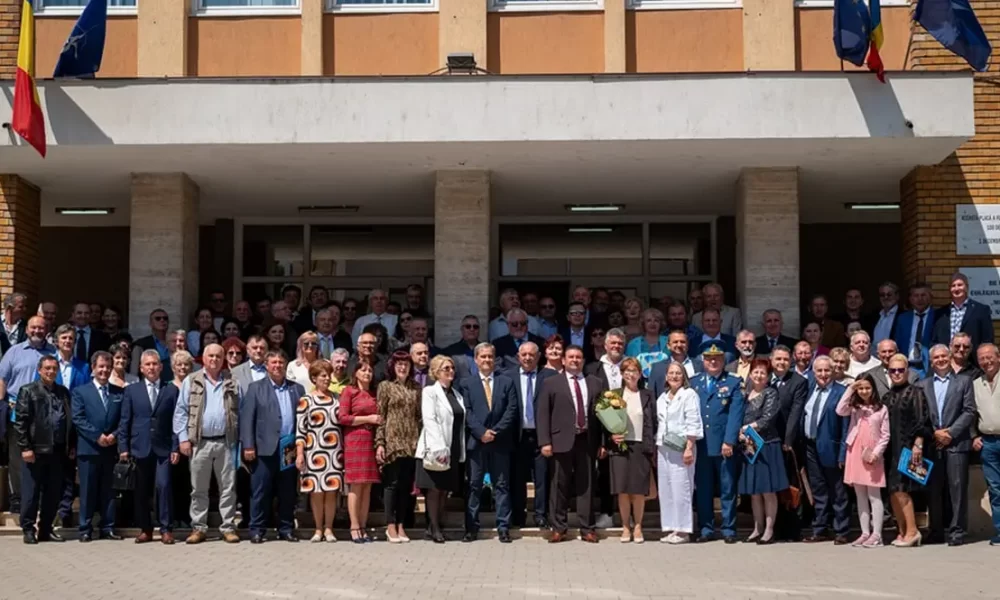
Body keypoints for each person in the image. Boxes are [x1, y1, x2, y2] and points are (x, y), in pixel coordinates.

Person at [172, 343, 241, 544]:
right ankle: (199, 528)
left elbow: (240, 410)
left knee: (228, 488)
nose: (214, 360)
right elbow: (181, 411)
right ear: (203, 358)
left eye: (218, 356)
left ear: (223, 359)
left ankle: (228, 527)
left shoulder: (232, 381)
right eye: (210, 356)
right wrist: (183, 438)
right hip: (199, 443)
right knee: (198, 489)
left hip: (226, 442)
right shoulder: (192, 381)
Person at [537, 345, 602, 543]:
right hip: (560, 441)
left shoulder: (595, 383)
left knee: (587, 486)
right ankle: (559, 528)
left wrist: (603, 443)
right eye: (571, 357)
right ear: (563, 360)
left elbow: (603, 416)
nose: (575, 360)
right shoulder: (551, 383)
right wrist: (545, 442)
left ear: (583, 361)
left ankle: (587, 528)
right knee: (559, 485)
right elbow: (543, 414)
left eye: (579, 357)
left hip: (587, 440)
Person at [241, 351, 305, 544]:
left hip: (289, 448)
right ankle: (257, 529)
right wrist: (248, 445)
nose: (277, 365)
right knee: (260, 490)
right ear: (267, 366)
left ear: (286, 365)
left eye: (280, 362)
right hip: (264, 447)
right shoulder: (255, 388)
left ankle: (285, 528)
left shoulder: (297, 389)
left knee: (287, 491)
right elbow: (246, 419)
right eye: (273, 362)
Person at [118, 349, 180, 544]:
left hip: (163, 448)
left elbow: (177, 421)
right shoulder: (131, 391)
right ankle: (145, 528)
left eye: (155, 364)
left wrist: (175, 447)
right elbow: (125, 420)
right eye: (148, 364)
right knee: (141, 490)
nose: (152, 367)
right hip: (139, 446)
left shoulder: (171, 390)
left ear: (161, 367)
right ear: (141, 368)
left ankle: (166, 528)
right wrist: (123, 447)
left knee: (164, 486)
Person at [918, 344, 976, 546]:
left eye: (944, 356)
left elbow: (969, 411)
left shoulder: (964, 381)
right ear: (931, 361)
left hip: (956, 443)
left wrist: (950, 433)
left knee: (957, 488)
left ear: (950, 357)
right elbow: (921, 414)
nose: (940, 360)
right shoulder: (923, 385)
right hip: (933, 444)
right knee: (933, 489)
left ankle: (957, 531)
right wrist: (934, 433)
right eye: (936, 357)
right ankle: (935, 531)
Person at [461, 342, 518, 543]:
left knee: (501, 485)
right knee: (474, 485)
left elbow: (511, 410)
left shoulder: (506, 381)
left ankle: (503, 526)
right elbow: (466, 411)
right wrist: (481, 432)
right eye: (482, 356)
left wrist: (495, 432)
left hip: (500, 442)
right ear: (476, 360)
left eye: (490, 356)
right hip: (476, 443)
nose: (486, 360)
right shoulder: (467, 383)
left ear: (495, 359)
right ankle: (471, 527)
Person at [14, 355, 73, 544]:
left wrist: (70, 445)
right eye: (47, 368)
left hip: (57, 451)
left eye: (54, 368)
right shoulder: (28, 391)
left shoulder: (63, 392)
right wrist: (25, 447)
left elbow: (69, 421)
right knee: (31, 493)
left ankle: (46, 529)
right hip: (35, 451)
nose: (51, 372)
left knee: (53, 493)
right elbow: (21, 421)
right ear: (39, 370)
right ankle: (28, 528)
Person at [795, 356, 850, 544]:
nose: (823, 374)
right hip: (810, 446)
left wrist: (843, 453)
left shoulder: (842, 392)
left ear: (833, 371)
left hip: (831, 447)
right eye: (819, 371)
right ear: (813, 372)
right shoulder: (808, 389)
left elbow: (845, 427)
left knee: (837, 491)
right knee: (818, 489)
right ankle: (820, 529)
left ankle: (841, 530)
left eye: (827, 370)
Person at [692, 344, 744, 543]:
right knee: (703, 489)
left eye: (717, 359)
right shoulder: (694, 382)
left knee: (727, 488)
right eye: (709, 358)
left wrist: (729, 441)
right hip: (701, 445)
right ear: (703, 361)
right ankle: (706, 528)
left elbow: (735, 414)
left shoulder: (733, 382)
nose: (713, 362)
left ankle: (729, 529)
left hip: (724, 446)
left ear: (724, 361)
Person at [71, 351, 124, 542]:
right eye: (101, 366)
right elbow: (78, 418)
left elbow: (123, 420)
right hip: (89, 449)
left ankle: (108, 527)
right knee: (88, 490)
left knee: (108, 491)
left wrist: (114, 436)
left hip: (110, 448)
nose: (104, 370)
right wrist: (97, 436)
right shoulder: (80, 391)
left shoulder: (119, 392)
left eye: (108, 367)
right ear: (93, 368)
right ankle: (85, 528)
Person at [883, 353, 934, 547]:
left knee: (902, 490)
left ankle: (913, 531)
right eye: (892, 370)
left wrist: (918, 444)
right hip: (891, 449)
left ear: (907, 371)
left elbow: (922, 421)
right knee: (892, 491)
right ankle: (902, 530)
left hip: (908, 448)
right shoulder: (888, 395)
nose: (896, 373)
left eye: (900, 370)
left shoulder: (916, 392)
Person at [415, 355, 466, 543]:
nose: (451, 371)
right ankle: (434, 528)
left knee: (445, 489)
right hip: (435, 447)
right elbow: (429, 419)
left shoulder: (456, 394)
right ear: (436, 372)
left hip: (452, 447)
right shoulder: (430, 392)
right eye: (446, 368)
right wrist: (439, 448)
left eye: (452, 368)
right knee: (434, 489)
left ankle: (436, 525)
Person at [737, 359, 788, 545]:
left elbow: (767, 419)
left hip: (767, 445)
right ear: (750, 374)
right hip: (749, 445)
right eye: (755, 372)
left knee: (768, 490)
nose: (758, 376)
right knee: (754, 491)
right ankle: (756, 528)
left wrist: (745, 428)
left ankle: (769, 529)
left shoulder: (770, 393)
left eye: (763, 373)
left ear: (768, 377)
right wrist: (740, 433)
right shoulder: (745, 394)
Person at [836, 374, 891, 548]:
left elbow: (885, 435)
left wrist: (877, 453)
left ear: (873, 388)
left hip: (872, 454)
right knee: (860, 494)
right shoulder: (854, 408)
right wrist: (850, 388)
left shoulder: (881, 409)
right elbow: (839, 409)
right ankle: (864, 532)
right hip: (855, 451)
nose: (864, 391)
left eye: (867, 388)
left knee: (874, 495)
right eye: (861, 388)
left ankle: (877, 534)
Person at [507, 341, 556, 529]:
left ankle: (541, 515)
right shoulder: (508, 376)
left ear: (538, 357)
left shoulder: (550, 377)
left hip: (541, 436)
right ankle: (518, 516)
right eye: (524, 354)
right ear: (518, 357)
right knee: (517, 478)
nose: (527, 358)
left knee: (542, 479)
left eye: (531, 354)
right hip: (518, 436)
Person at [295, 360, 344, 543]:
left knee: (331, 491)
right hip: (313, 451)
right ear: (314, 378)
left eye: (328, 375)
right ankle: (317, 529)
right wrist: (300, 453)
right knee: (316, 492)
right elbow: (301, 430)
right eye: (323, 375)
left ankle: (329, 529)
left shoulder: (337, 398)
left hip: (333, 452)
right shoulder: (306, 400)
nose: (326, 378)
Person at [375, 351, 421, 544]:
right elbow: (380, 415)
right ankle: (390, 524)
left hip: (411, 441)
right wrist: (380, 443)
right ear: (393, 366)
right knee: (391, 485)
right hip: (392, 441)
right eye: (399, 364)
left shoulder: (416, 387)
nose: (402, 368)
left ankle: (401, 524)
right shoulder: (385, 387)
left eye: (406, 364)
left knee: (405, 486)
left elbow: (419, 416)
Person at [607, 357, 654, 544]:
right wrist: (611, 436)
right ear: (622, 373)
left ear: (640, 374)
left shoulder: (648, 395)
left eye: (634, 370)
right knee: (623, 490)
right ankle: (625, 526)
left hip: (640, 446)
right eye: (627, 370)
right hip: (620, 447)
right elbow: (607, 422)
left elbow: (653, 422)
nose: (630, 374)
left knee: (638, 490)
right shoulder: (614, 395)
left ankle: (638, 526)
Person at [655, 362, 701, 544]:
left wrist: (689, 447)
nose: (674, 376)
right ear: (666, 376)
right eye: (671, 373)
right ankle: (671, 527)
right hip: (663, 448)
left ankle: (683, 531)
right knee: (666, 489)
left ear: (684, 377)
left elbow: (693, 422)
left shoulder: (689, 395)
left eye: (678, 373)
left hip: (682, 448)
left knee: (682, 488)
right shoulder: (662, 397)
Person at [337, 360, 381, 543]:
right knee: (356, 485)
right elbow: (343, 417)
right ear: (355, 373)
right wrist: (368, 418)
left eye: (370, 370)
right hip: (355, 441)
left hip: (370, 441)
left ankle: (363, 526)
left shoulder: (374, 393)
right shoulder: (349, 391)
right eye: (363, 370)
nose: (367, 373)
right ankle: (354, 526)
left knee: (367, 486)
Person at [769, 345, 808, 542]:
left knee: (791, 487)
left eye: (785, 359)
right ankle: (774, 528)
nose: (782, 363)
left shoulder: (798, 382)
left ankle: (793, 530)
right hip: (767, 442)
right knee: (773, 486)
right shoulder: (764, 378)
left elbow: (795, 412)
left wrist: (788, 441)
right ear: (771, 360)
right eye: (778, 359)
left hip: (788, 443)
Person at [971, 344, 1000, 545]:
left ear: (998, 357)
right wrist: (973, 435)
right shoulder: (975, 384)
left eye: (990, 357)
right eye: (982, 358)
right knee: (995, 489)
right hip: (988, 443)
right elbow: (970, 413)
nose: (986, 361)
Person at [932, 272, 995, 353]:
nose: (956, 288)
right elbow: (935, 340)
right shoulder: (940, 313)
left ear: (966, 287)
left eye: (960, 285)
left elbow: (988, 339)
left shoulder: (981, 310)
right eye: (953, 286)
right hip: (946, 361)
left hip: (972, 361)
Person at [167, 350, 195, 529]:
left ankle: (186, 517)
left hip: (191, 441)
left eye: (186, 364)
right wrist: (174, 445)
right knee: (172, 481)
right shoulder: (167, 388)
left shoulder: (195, 386)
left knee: (189, 482)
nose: (183, 367)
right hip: (172, 442)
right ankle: (172, 517)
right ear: (172, 367)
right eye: (179, 364)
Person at [894, 282, 936, 370]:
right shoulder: (903, 319)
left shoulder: (937, 317)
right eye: (916, 296)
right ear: (911, 299)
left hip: (930, 367)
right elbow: (898, 343)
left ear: (930, 297)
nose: (920, 299)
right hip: (907, 366)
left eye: (923, 295)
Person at [869, 281, 902, 351]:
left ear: (897, 296)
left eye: (889, 294)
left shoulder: (903, 315)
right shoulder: (874, 316)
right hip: (874, 358)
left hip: (893, 357)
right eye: (882, 295)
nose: (885, 297)